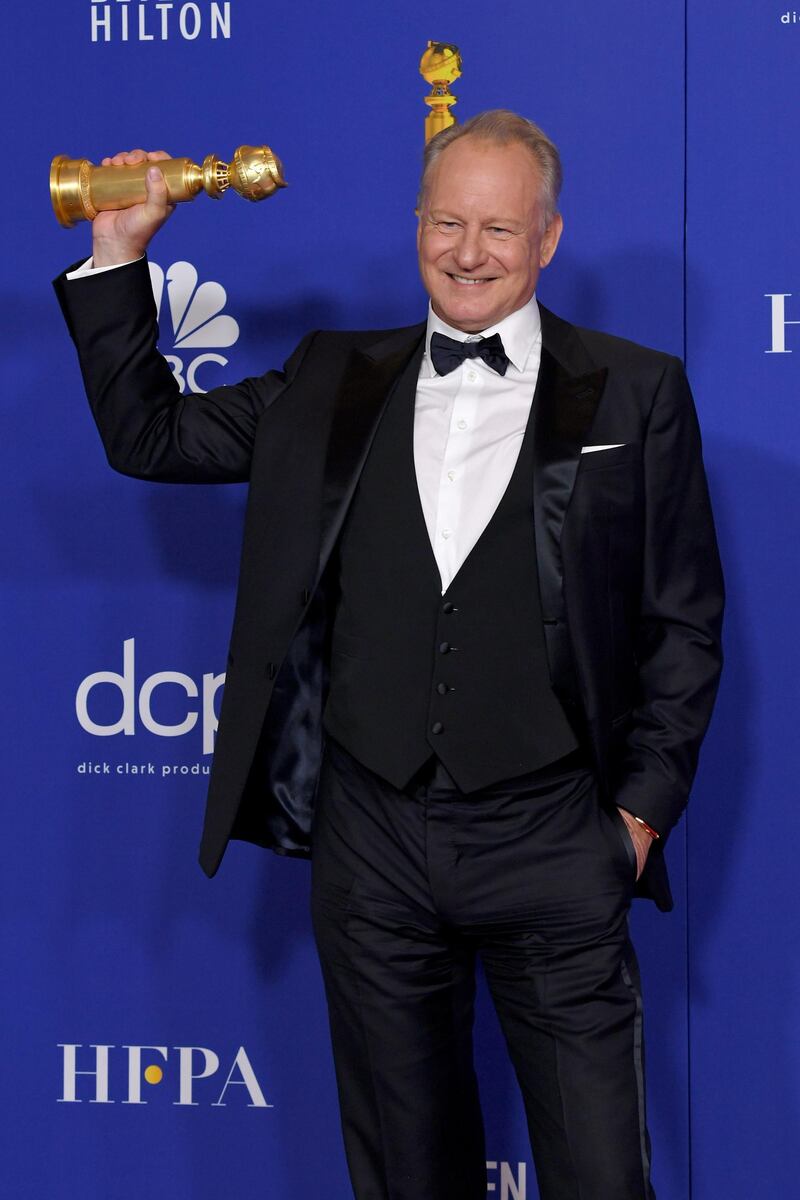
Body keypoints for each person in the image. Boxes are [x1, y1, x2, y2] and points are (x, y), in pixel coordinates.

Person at [54, 110, 724, 1200]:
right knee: (407, 1179)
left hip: (553, 843)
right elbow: (152, 439)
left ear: (547, 238)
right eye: (447, 222)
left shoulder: (636, 393)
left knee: (600, 1178)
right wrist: (120, 253)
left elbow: (683, 620)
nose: (468, 252)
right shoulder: (330, 378)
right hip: (371, 852)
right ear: (415, 223)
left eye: (498, 230)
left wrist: (635, 819)